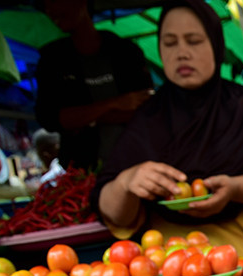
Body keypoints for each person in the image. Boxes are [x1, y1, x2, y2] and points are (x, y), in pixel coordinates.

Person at [92, 0, 243, 258]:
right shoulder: (145, 119)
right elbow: (110, 211)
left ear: (215, 45)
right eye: (170, 43)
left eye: (193, 41)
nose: (181, 53)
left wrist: (235, 188)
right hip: (172, 257)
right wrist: (127, 182)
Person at [35, 0, 154, 171]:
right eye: (46, 6)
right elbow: (52, 119)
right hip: (82, 172)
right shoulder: (52, 60)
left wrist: (85, 118)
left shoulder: (126, 52)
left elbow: (146, 109)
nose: (51, 10)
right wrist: (114, 103)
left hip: (134, 163)